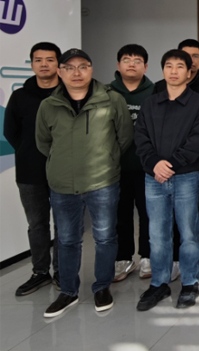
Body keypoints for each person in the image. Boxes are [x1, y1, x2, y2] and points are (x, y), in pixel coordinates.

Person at [35, 48, 133, 318]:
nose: (76, 73)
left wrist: (107, 160)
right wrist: (63, 162)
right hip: (63, 183)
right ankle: (68, 291)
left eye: (83, 66)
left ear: (91, 69)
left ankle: (102, 287)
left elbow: (124, 137)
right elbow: (43, 142)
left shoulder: (112, 100)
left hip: (102, 181)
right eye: (69, 67)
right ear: (60, 72)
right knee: (67, 240)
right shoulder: (49, 106)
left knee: (105, 237)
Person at [135, 50, 199, 311]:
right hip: (154, 177)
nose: (174, 71)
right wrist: (154, 163)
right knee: (157, 234)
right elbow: (140, 137)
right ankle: (159, 283)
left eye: (180, 66)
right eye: (169, 66)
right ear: (162, 70)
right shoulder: (150, 103)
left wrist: (170, 165)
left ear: (189, 72)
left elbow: (198, 140)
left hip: (186, 176)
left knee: (189, 232)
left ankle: (190, 282)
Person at [155, 39, 199, 287]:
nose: (189, 61)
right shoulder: (159, 89)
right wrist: (160, 163)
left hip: (197, 164)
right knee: (169, 218)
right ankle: (174, 260)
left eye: (194, 56)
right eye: (184, 56)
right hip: (164, 167)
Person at [5, 43, 62, 296]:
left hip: (64, 171)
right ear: (32, 64)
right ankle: (40, 272)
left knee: (64, 225)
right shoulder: (20, 96)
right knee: (37, 224)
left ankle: (62, 271)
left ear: (58, 64)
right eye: (38, 60)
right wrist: (30, 152)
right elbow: (11, 132)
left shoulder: (68, 94)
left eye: (49, 60)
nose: (44, 64)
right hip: (29, 172)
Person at [110, 44, 155, 281]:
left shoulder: (155, 92)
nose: (131, 64)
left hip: (146, 166)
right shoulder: (106, 93)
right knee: (120, 214)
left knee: (148, 214)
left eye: (137, 61)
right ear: (118, 65)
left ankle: (147, 257)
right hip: (115, 167)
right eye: (126, 60)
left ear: (145, 66)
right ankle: (123, 259)